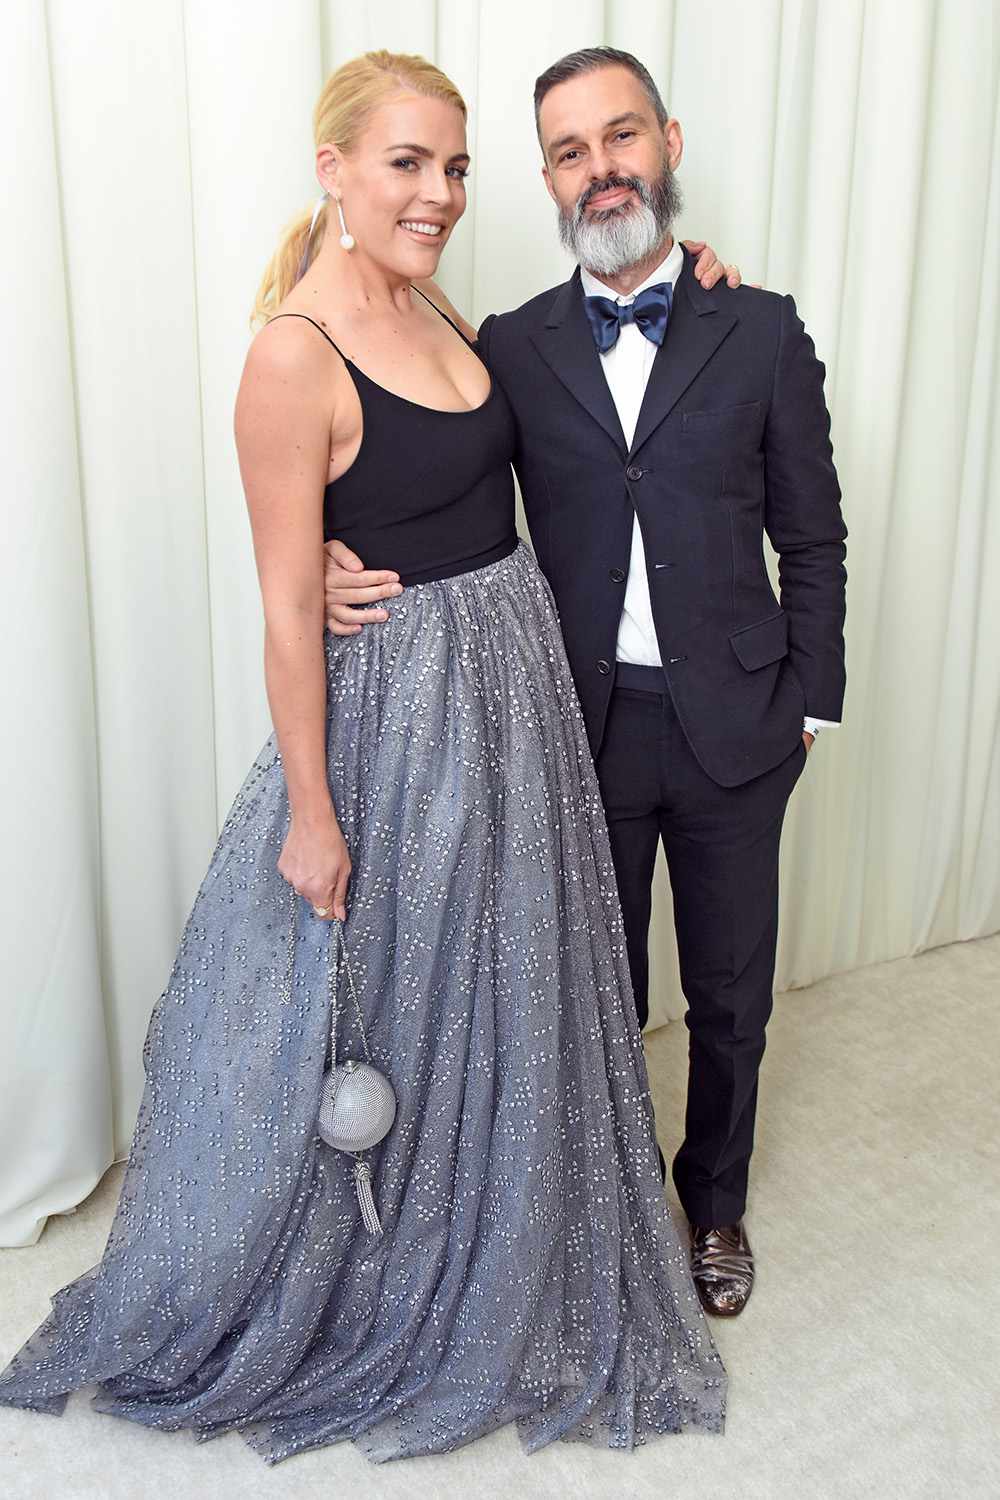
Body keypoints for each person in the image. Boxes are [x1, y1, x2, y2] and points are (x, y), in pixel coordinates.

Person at [0, 50, 736, 1464]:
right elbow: (285, 607)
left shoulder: (437, 305)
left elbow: (549, 401)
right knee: (390, 1016)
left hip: (510, 704)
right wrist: (316, 814)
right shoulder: (293, 354)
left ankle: (494, 1240)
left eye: (456, 167)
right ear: (331, 168)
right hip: (398, 730)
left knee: (492, 997)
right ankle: (376, 1287)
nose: (440, 194)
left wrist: (689, 266)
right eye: (408, 163)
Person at [323, 46, 848, 1320]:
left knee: (726, 991)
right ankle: (594, 1205)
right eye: (569, 150)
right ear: (549, 179)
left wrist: (810, 702)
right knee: (580, 986)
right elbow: (414, 435)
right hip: (575, 727)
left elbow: (814, 535)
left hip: (737, 725)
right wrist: (334, 557)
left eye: (620, 137)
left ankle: (711, 1205)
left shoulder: (760, 326)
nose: (600, 166)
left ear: (665, 141)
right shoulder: (504, 342)